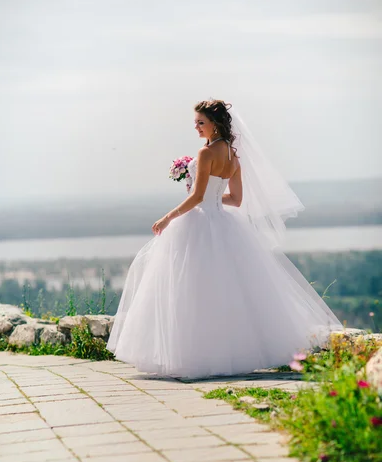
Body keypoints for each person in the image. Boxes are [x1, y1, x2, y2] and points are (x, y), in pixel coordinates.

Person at [106, 99, 343, 379]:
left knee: (190, 289)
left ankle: (191, 357)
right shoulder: (233, 156)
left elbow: (196, 198)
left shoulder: (205, 154)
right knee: (224, 290)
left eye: (201, 122)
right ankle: (227, 356)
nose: (196, 127)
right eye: (195, 122)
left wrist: (168, 217)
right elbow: (236, 199)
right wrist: (213, 197)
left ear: (215, 123)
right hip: (222, 222)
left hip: (198, 222)